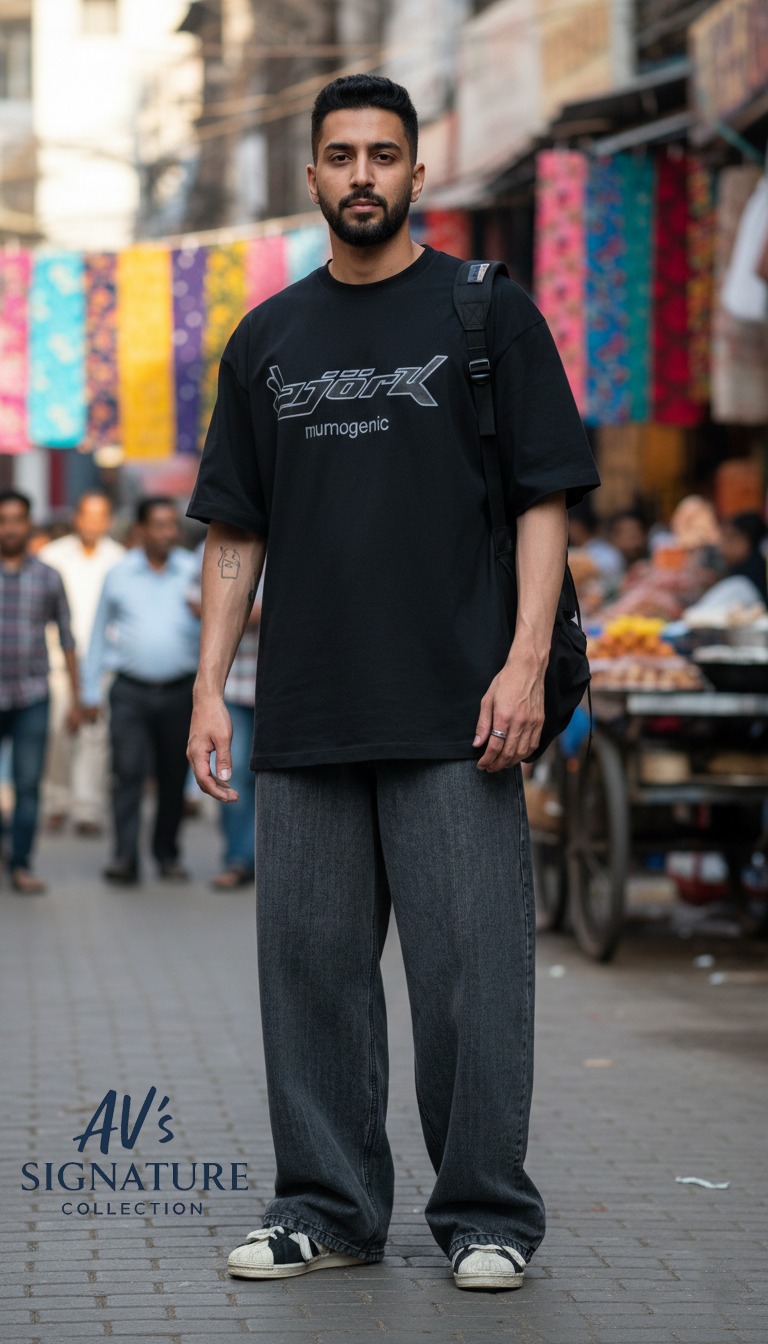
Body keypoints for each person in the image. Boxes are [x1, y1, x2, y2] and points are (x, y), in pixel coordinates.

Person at [186, 74, 600, 1291]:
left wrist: (524, 663)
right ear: (310, 178)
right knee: (310, 976)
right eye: (340, 155)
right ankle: (327, 1207)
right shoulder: (266, 339)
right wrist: (214, 687)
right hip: (307, 708)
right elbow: (234, 531)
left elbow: (545, 499)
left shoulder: (486, 313)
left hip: (458, 708)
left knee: (472, 980)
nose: (362, 173)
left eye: (383, 154)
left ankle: (485, 1216)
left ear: (419, 174)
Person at [82, 497, 200, 885]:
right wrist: (89, 693)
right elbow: (99, 633)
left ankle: (166, 854)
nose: (169, 532)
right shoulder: (119, 574)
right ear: (141, 530)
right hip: (129, 691)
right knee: (127, 773)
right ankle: (124, 857)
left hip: (181, 690)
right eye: (160, 525)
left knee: (172, 776)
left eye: (172, 525)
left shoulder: (192, 570)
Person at [0, 490, 80, 893]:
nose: (10, 527)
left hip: (32, 693)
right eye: (4, 519)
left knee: (28, 784)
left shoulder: (48, 576)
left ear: (29, 524)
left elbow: (67, 638)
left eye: (17, 519)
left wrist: (79, 699)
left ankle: (21, 864)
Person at [40, 493, 125, 835]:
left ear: (108, 520)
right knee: (57, 732)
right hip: (57, 664)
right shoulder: (53, 556)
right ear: (77, 518)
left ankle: (88, 808)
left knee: (96, 735)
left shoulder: (119, 559)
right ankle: (57, 801)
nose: (92, 523)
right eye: (87, 515)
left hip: (101, 665)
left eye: (99, 516)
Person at [188, 552, 264, 889]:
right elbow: (194, 600)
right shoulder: (217, 545)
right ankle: (238, 859)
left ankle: (262, 859)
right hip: (232, 687)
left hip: (284, 689)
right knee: (231, 777)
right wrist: (239, 612)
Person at [719, 512, 768, 605]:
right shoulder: (734, 568)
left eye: (731, 538)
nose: (722, 546)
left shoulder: (753, 573)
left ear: (748, 539)